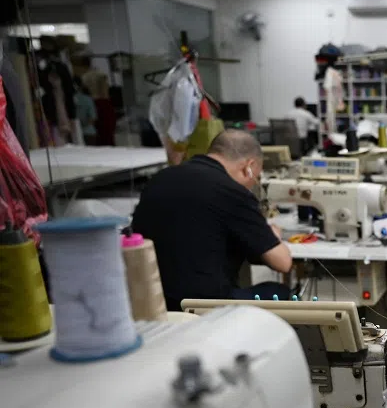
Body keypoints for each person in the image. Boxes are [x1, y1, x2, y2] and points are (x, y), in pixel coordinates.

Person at [131, 129, 292, 310]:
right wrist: (273, 235)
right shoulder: (233, 192)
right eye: (256, 177)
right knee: (282, 293)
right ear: (249, 167)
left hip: (157, 303)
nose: (253, 184)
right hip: (209, 306)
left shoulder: (159, 179)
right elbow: (283, 263)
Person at [72, 76, 97, 145]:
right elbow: (93, 117)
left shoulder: (67, 100)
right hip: (88, 132)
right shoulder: (87, 99)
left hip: (74, 134)